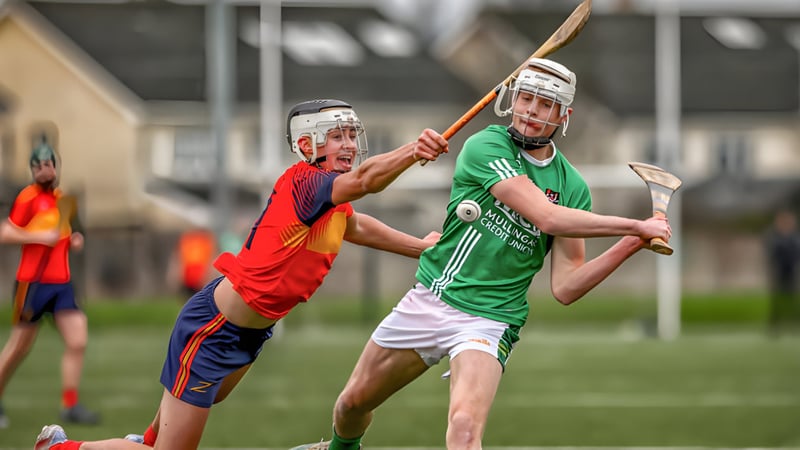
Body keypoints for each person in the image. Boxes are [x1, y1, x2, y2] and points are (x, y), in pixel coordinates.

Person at [292, 58, 672, 450]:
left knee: (464, 429)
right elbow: (546, 216)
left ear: (564, 115)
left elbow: (567, 287)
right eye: (525, 98)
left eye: (544, 104)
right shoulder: (485, 146)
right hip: (433, 297)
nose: (530, 111)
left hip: (491, 320)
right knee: (352, 404)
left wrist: (633, 242)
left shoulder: (572, 187)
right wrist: (634, 224)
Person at [33, 98, 449, 450]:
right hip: (213, 330)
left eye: (351, 135)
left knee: (156, 440)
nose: (349, 144)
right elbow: (365, 181)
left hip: (249, 334)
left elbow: (355, 225)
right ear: (307, 144)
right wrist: (414, 150)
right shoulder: (306, 182)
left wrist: (420, 247)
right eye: (336, 136)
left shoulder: (330, 199)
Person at [0, 139, 99, 429]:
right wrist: (37, 237)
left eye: (49, 164)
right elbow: (6, 232)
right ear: (32, 170)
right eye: (39, 165)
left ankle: (70, 405)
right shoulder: (27, 198)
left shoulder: (64, 199)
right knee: (19, 347)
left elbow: (66, 233)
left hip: (61, 284)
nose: (45, 169)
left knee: (78, 339)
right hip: (33, 284)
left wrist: (74, 241)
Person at [764, 208, 800, 336]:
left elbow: (796, 253)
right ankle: (774, 325)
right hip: (779, 270)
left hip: (791, 270)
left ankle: (794, 323)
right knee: (777, 300)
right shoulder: (773, 236)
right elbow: (772, 253)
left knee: (792, 298)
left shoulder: (794, 237)